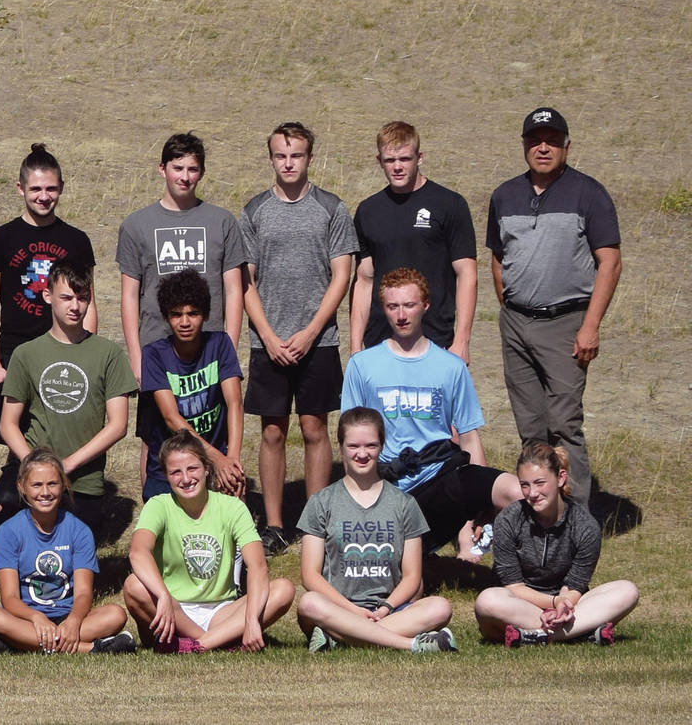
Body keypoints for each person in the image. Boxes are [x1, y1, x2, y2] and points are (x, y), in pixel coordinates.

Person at [488, 107, 621, 507]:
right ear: (525, 144)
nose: (542, 147)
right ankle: (541, 510)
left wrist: (590, 326)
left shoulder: (589, 193)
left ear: (566, 144)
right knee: (530, 425)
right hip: (516, 323)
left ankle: (577, 518)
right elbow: (497, 259)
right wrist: (511, 307)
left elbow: (610, 262)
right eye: (534, 140)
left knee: (564, 423)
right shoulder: (505, 195)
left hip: (566, 325)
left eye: (551, 139)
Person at [341, 268, 520, 559]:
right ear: (383, 309)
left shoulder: (451, 366)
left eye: (409, 305)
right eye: (392, 306)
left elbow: (469, 437)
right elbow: (349, 444)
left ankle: (524, 573)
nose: (401, 315)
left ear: (425, 305)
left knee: (517, 491)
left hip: (439, 477)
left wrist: (484, 505)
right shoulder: (362, 365)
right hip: (387, 484)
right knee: (395, 568)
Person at [240, 122, 355, 552]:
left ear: (310, 158)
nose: (289, 164)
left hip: (317, 342)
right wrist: (268, 336)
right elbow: (245, 281)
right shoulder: (253, 211)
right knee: (272, 431)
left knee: (314, 430)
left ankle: (314, 524)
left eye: (297, 156)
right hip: (268, 342)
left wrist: (309, 333)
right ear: (271, 158)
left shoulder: (332, 209)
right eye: (281, 156)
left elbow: (341, 276)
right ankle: (273, 525)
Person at [295, 407, 457, 653]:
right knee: (309, 603)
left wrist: (385, 608)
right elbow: (310, 575)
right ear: (341, 446)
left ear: (382, 445)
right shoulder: (321, 502)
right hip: (336, 608)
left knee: (440, 606)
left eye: (370, 445)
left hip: (389, 610)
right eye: (353, 446)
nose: (362, 454)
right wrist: (352, 612)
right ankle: (409, 644)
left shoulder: (404, 504)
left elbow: (412, 576)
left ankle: (340, 637)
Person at [124, 436, 295, 653]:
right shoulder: (159, 505)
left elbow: (258, 566)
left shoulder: (232, 507)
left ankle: (199, 645)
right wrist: (163, 595)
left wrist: (252, 619)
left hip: (221, 611)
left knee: (283, 589)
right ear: (167, 476)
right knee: (133, 585)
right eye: (176, 472)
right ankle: (223, 641)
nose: (186, 479)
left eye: (192, 468)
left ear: (206, 468)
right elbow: (138, 552)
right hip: (174, 609)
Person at [0, 143, 98, 450]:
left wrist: (89, 354)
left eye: (51, 188)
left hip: (65, 349)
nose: (44, 196)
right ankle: (16, 491)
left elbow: (89, 303)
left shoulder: (76, 240)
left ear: (62, 188)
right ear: (20, 189)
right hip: (15, 353)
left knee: (61, 431)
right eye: (36, 189)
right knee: (13, 434)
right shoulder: (1, 239)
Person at [0, 262, 134, 527]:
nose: (75, 306)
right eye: (67, 297)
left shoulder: (109, 354)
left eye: (82, 298)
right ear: (48, 296)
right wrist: (35, 469)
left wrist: (67, 465)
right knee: (6, 503)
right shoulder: (26, 354)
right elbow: (7, 424)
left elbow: (118, 425)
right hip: (33, 472)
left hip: (83, 479)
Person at [473, 442, 638, 647]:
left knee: (627, 591)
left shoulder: (585, 526)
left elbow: (575, 585)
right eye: (525, 485)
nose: (532, 493)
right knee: (487, 601)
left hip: (569, 603)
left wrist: (562, 605)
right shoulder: (508, 520)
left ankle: (533, 636)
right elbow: (513, 586)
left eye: (540, 482)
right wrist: (553, 604)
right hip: (520, 605)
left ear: (560, 478)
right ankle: (577, 634)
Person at [116, 132, 246, 382]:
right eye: (178, 168)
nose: (185, 177)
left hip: (208, 349)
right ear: (162, 169)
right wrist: (136, 357)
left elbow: (233, 291)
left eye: (192, 169)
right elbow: (130, 296)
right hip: (156, 349)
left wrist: (228, 351)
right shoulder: (136, 225)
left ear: (202, 172)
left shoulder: (222, 222)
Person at [0, 450, 136, 654]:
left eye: (52, 484)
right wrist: (37, 618)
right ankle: (90, 649)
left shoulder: (79, 530)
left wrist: (73, 621)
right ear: (22, 487)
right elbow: (10, 598)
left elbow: (83, 593)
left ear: (63, 485)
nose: (45, 492)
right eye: (36, 485)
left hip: (67, 617)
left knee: (116, 614)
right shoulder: (9, 531)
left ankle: (18, 644)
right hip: (27, 619)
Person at [349, 121, 476, 357]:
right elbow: (364, 280)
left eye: (405, 159)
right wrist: (356, 347)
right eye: (389, 161)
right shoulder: (368, 210)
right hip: (380, 341)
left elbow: (466, 274)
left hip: (436, 339)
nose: (397, 167)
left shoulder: (450, 204)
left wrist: (462, 340)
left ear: (420, 158)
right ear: (379, 161)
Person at [135, 270, 243, 503]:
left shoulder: (220, 344)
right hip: (169, 466)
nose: (184, 322)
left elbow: (234, 402)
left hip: (213, 461)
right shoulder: (154, 354)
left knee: (233, 511)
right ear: (166, 317)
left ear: (204, 315)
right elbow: (172, 418)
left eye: (192, 313)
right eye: (176, 315)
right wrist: (217, 458)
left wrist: (232, 459)